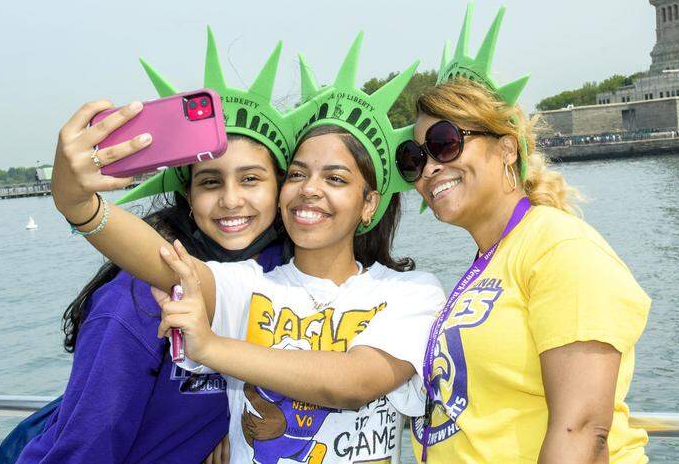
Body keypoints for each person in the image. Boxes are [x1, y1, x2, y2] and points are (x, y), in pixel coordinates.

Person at [51, 34, 444, 464]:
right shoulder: (247, 284)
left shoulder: (412, 293)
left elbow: (353, 383)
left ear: (369, 203)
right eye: (298, 175)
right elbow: (166, 263)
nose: (310, 190)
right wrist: (79, 205)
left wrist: (211, 349)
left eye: (335, 179)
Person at [13, 32, 295, 464]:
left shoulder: (286, 271)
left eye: (251, 179)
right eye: (210, 182)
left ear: (281, 189)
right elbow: (86, 444)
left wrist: (235, 433)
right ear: (187, 196)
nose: (232, 200)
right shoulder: (139, 300)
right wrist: (75, 201)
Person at [399, 6, 651, 463]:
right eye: (415, 158)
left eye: (445, 143)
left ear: (506, 147)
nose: (430, 167)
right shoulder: (491, 259)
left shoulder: (561, 249)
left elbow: (581, 430)